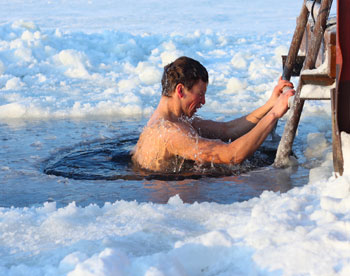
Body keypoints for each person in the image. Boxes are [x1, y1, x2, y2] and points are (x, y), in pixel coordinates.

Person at [132, 56, 295, 172]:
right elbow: (232, 156)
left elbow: (228, 130)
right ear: (180, 90)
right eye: (200, 94)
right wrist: (274, 114)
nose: (203, 102)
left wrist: (270, 104)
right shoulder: (170, 133)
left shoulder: (175, 120)